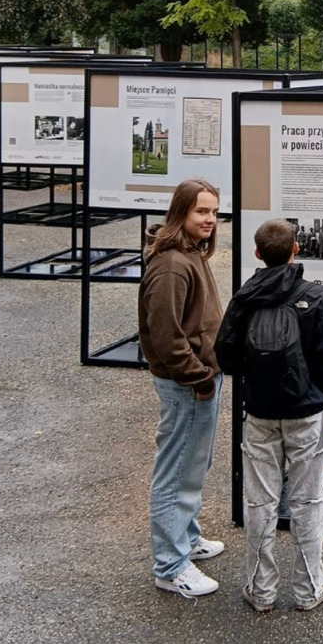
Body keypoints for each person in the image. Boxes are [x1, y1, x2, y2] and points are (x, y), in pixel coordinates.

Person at [215, 218, 323, 613]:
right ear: (296, 249)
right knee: (309, 500)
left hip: (259, 411)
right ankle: (309, 588)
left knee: (260, 502)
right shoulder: (318, 297)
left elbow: (225, 356)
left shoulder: (245, 297)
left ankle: (260, 590)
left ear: (257, 253)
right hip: (306, 412)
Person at [139, 178, 226, 598]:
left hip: (199, 379)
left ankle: (186, 538)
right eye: (201, 211)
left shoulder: (191, 252)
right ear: (181, 213)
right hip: (188, 384)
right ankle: (171, 565)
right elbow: (165, 335)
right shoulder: (172, 265)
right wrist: (199, 378)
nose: (210, 219)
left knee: (193, 466)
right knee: (176, 471)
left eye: (214, 212)